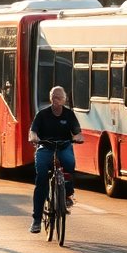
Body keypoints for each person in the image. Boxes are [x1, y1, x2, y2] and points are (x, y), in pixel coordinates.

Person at [28, 85, 83, 233]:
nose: (55, 99)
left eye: (58, 97)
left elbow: (77, 132)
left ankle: (67, 195)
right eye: (53, 96)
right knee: (41, 178)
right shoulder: (42, 114)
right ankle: (37, 220)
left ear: (64, 99)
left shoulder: (69, 115)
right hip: (45, 147)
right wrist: (34, 138)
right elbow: (33, 131)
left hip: (64, 146)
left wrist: (78, 138)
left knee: (69, 163)